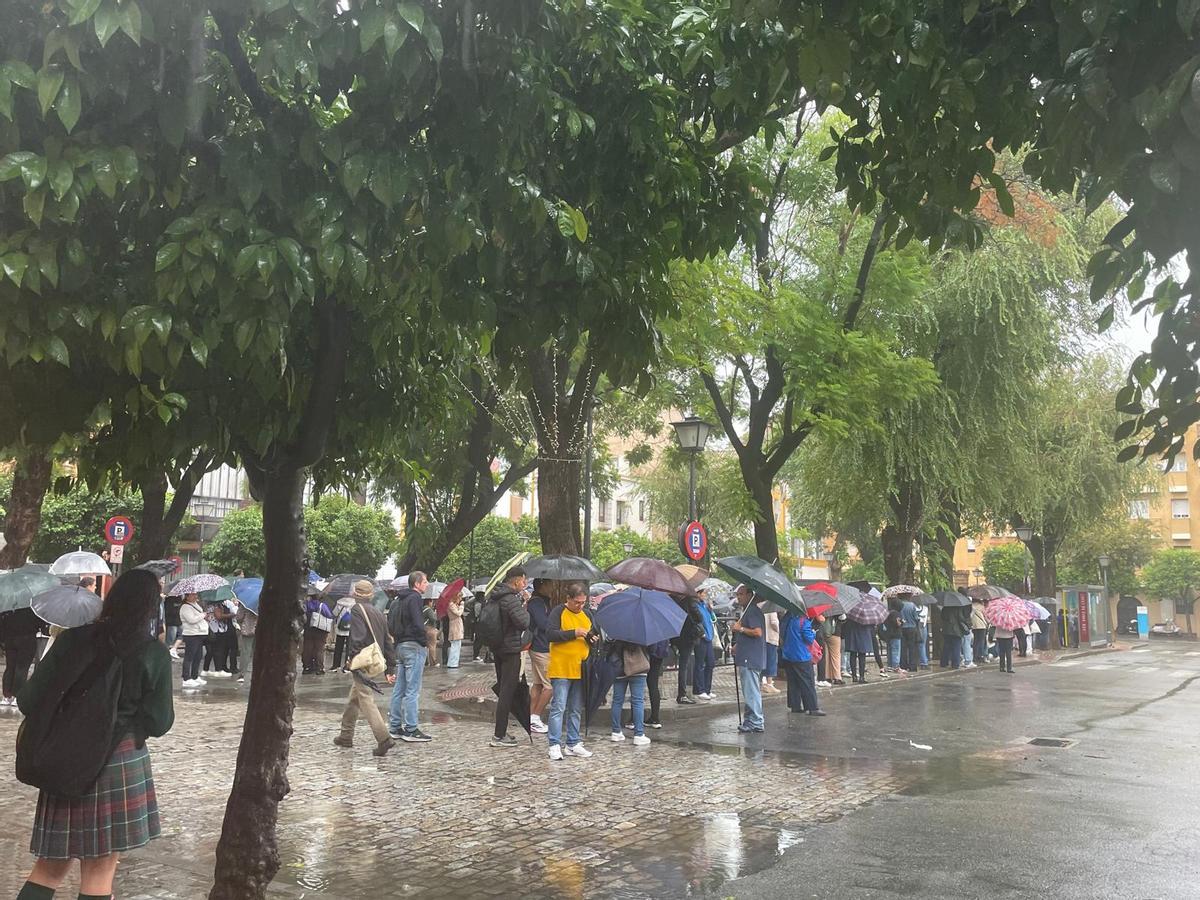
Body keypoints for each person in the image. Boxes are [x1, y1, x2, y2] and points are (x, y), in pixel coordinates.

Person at [15, 569, 174, 900]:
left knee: (49, 867)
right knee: (100, 870)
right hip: (119, 760)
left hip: (65, 760)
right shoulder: (152, 653)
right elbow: (159, 722)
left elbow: (29, 700)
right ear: (149, 607)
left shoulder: (73, 638)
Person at [334, 582, 398, 756]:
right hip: (375, 661)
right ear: (370, 595)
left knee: (365, 698)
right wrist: (390, 667)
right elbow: (387, 641)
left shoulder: (356, 610)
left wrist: (352, 660)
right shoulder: (378, 612)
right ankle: (345, 735)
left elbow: (357, 637)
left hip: (362, 661)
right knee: (354, 698)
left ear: (355, 594)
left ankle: (384, 738)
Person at [545, 581, 595, 760]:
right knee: (559, 706)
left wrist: (592, 638)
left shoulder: (587, 614)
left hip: (580, 668)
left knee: (575, 708)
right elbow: (550, 634)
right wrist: (573, 633)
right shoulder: (558, 612)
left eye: (583, 602)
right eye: (577, 602)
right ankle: (554, 744)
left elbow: (591, 635)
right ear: (568, 599)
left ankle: (573, 743)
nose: (580, 606)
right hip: (562, 668)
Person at [488, 566, 530, 748]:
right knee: (507, 691)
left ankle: (502, 731)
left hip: (497, 647)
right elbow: (524, 622)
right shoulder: (511, 599)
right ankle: (499, 735)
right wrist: (525, 606)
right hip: (511, 649)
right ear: (515, 580)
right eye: (523, 580)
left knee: (505, 689)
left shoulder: (495, 596)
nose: (525, 584)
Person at [386, 574, 432, 742]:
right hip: (413, 645)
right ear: (417, 583)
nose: (427, 585)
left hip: (400, 645)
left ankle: (395, 726)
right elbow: (419, 623)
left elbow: (390, 624)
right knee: (412, 689)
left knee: (399, 689)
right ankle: (411, 728)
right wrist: (423, 641)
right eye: (425, 582)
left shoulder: (398, 600)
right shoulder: (415, 598)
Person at [731, 584, 767, 733]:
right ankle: (751, 719)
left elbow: (757, 632)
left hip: (750, 658)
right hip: (749, 655)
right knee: (750, 690)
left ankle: (757, 721)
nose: (738, 597)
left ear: (749, 595)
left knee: (751, 691)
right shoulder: (748, 611)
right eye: (737, 594)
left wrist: (740, 629)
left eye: (741, 594)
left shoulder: (751, 611)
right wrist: (737, 645)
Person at [609, 637, 652, 746]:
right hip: (638, 666)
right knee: (637, 701)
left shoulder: (615, 629)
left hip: (619, 668)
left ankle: (616, 732)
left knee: (617, 700)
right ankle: (638, 734)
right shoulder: (640, 629)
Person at [781, 611, 824, 714]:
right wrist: (813, 632)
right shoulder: (803, 621)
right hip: (801, 655)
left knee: (793, 682)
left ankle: (795, 706)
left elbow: (782, 633)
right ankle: (813, 708)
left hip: (788, 654)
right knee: (808, 682)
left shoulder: (787, 618)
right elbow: (809, 639)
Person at [526, 580, 553, 733]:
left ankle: (530, 717)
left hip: (538, 647)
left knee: (538, 684)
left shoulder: (540, 602)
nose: (551, 588)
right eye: (549, 585)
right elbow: (543, 624)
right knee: (549, 686)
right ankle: (535, 717)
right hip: (541, 648)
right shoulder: (536, 603)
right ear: (542, 586)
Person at [1, 608, 40, 707]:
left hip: (10, 639)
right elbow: (39, 621)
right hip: (27, 638)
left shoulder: (9, 606)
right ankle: (17, 695)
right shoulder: (31, 608)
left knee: (10, 667)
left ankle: (6, 695)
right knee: (22, 668)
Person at [673, 593, 705, 705]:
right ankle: (682, 694)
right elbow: (699, 617)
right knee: (684, 666)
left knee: (683, 665)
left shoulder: (674, 599)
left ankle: (682, 694)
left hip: (677, 636)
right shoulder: (690, 601)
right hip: (688, 636)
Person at [179, 593, 209, 688]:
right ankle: (186, 678)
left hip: (200, 633)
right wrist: (202, 615)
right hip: (191, 634)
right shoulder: (185, 607)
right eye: (193, 595)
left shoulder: (196, 605)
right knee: (189, 656)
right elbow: (191, 620)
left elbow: (200, 616)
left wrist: (204, 615)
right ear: (187, 596)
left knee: (198, 656)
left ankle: (195, 676)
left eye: (196, 594)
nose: (195, 596)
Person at [692, 590, 718, 700]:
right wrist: (701, 633)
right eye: (703, 593)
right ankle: (699, 689)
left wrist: (711, 610)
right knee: (700, 663)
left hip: (708, 638)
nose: (705, 595)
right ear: (698, 594)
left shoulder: (704, 606)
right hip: (702, 638)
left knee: (710, 663)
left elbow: (713, 619)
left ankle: (707, 689)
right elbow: (696, 621)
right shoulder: (695, 606)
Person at [203, 598, 234, 677]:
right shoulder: (216, 606)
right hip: (217, 630)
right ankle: (218, 670)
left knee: (210, 651)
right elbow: (219, 616)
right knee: (218, 651)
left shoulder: (209, 606)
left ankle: (205, 669)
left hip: (212, 630)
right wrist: (231, 615)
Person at [842, 615, 874, 684]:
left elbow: (845, 624)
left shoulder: (851, 612)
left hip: (852, 633)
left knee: (853, 655)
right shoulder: (866, 612)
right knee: (862, 655)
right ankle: (861, 677)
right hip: (863, 633)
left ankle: (854, 676)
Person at [331, 593, 356, 672]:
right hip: (350, 629)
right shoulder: (355, 604)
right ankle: (347, 666)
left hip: (340, 628)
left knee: (338, 647)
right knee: (349, 648)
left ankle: (336, 665)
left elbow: (334, 613)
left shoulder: (339, 602)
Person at [235, 598, 258, 684]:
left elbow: (239, 617)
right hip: (263, 631)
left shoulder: (247, 602)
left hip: (248, 629)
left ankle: (242, 674)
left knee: (246, 652)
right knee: (259, 653)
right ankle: (258, 673)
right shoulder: (269, 601)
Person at [761, 609, 781, 693]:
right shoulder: (771, 608)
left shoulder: (761, 606)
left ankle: (763, 682)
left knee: (764, 660)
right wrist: (779, 631)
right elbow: (773, 622)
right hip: (771, 637)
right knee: (772, 661)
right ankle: (769, 683)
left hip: (763, 638)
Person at [899, 597, 921, 672]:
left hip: (902, 628)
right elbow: (916, 617)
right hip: (912, 628)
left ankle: (903, 665)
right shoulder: (912, 605)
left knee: (903, 648)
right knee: (912, 648)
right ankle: (912, 666)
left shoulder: (899, 605)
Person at [446, 592, 465, 669]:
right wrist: (462, 606)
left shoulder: (454, 605)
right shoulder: (451, 605)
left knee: (457, 645)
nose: (460, 599)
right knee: (455, 645)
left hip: (457, 625)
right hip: (455, 626)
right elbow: (458, 613)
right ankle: (452, 663)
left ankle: (454, 662)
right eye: (459, 597)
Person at [824, 615, 844, 686]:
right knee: (836, 656)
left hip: (825, 634)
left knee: (826, 656)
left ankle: (827, 676)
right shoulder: (837, 610)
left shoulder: (824, 609)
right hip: (835, 634)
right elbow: (843, 619)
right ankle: (837, 677)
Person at [422, 595, 440, 668]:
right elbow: (433, 619)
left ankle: (425, 662)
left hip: (423, 628)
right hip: (430, 629)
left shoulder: (421, 609)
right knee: (432, 646)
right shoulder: (429, 610)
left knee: (425, 646)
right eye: (432, 601)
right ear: (429, 602)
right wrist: (435, 615)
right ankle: (433, 662)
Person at [971, 599, 989, 664]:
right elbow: (985, 616)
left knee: (975, 641)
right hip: (981, 626)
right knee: (981, 641)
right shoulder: (981, 606)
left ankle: (975, 656)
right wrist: (988, 622)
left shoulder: (971, 606)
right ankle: (980, 656)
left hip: (974, 626)